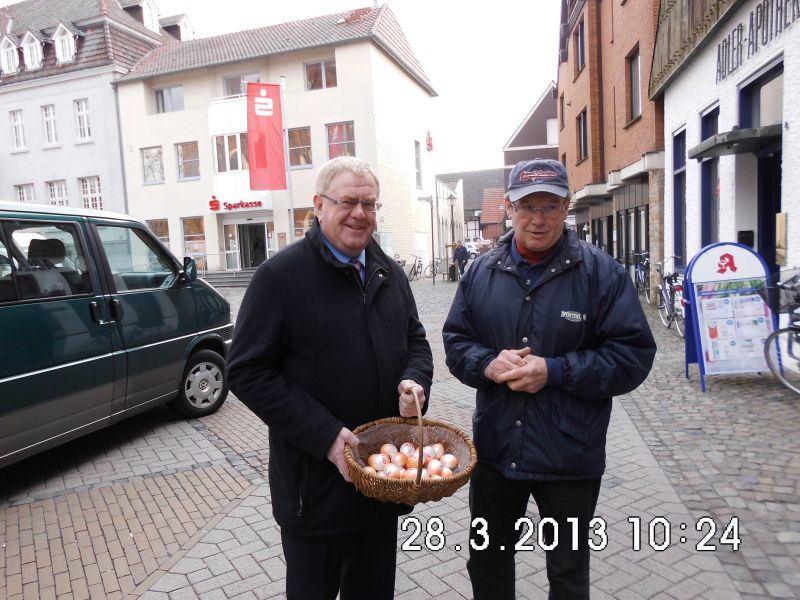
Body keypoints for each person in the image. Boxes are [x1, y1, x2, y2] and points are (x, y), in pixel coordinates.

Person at [442, 158, 656, 600]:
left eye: (550, 206)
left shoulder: (603, 275)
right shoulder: (481, 272)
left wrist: (555, 370)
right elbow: (456, 341)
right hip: (497, 451)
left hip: (570, 456)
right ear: (508, 208)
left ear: (567, 207)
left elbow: (633, 357)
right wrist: (486, 364)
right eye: (526, 207)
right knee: (487, 562)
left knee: (568, 572)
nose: (537, 219)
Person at [226, 156, 434, 600]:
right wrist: (325, 436)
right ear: (318, 206)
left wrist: (414, 380)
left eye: (369, 204)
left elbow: (415, 340)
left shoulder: (388, 273)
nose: (360, 213)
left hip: (380, 484)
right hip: (315, 492)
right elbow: (246, 371)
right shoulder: (280, 277)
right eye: (347, 202)